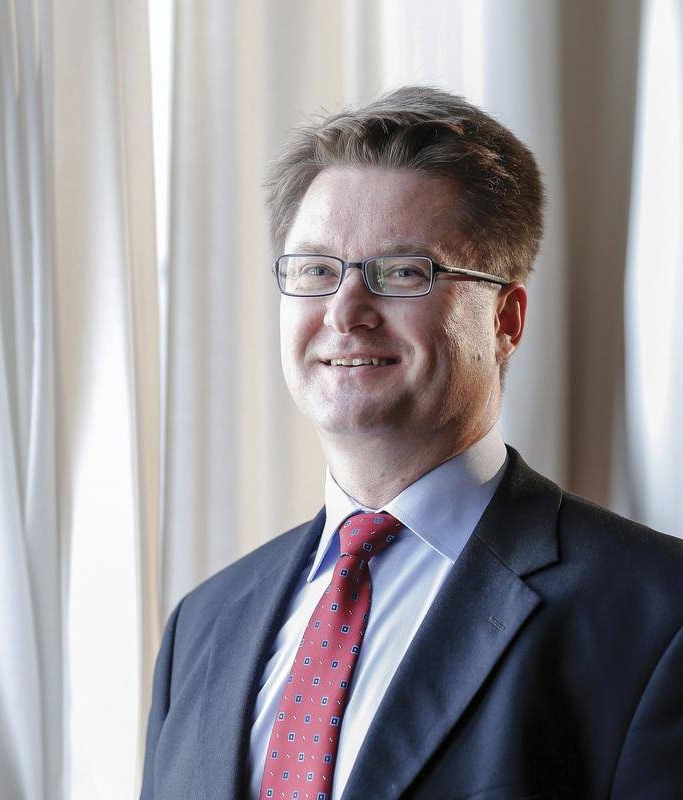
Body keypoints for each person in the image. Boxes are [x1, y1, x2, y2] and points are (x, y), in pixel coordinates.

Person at [140, 86, 683, 800]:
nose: (345, 312)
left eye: (402, 271)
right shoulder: (202, 626)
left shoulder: (656, 615)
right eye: (315, 270)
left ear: (506, 320)